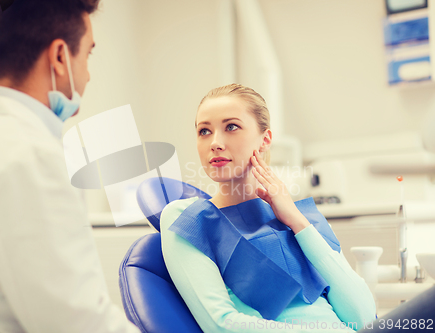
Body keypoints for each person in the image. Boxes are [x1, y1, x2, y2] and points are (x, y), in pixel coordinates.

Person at [0, 1, 138, 332]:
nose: (87, 73)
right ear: (60, 57)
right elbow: (76, 323)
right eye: (88, 55)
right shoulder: (31, 158)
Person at [160, 83, 378, 332]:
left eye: (231, 127)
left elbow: (364, 317)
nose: (215, 143)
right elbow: (220, 325)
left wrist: (297, 223)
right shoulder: (188, 218)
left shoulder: (302, 218)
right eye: (204, 131)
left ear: (265, 140)